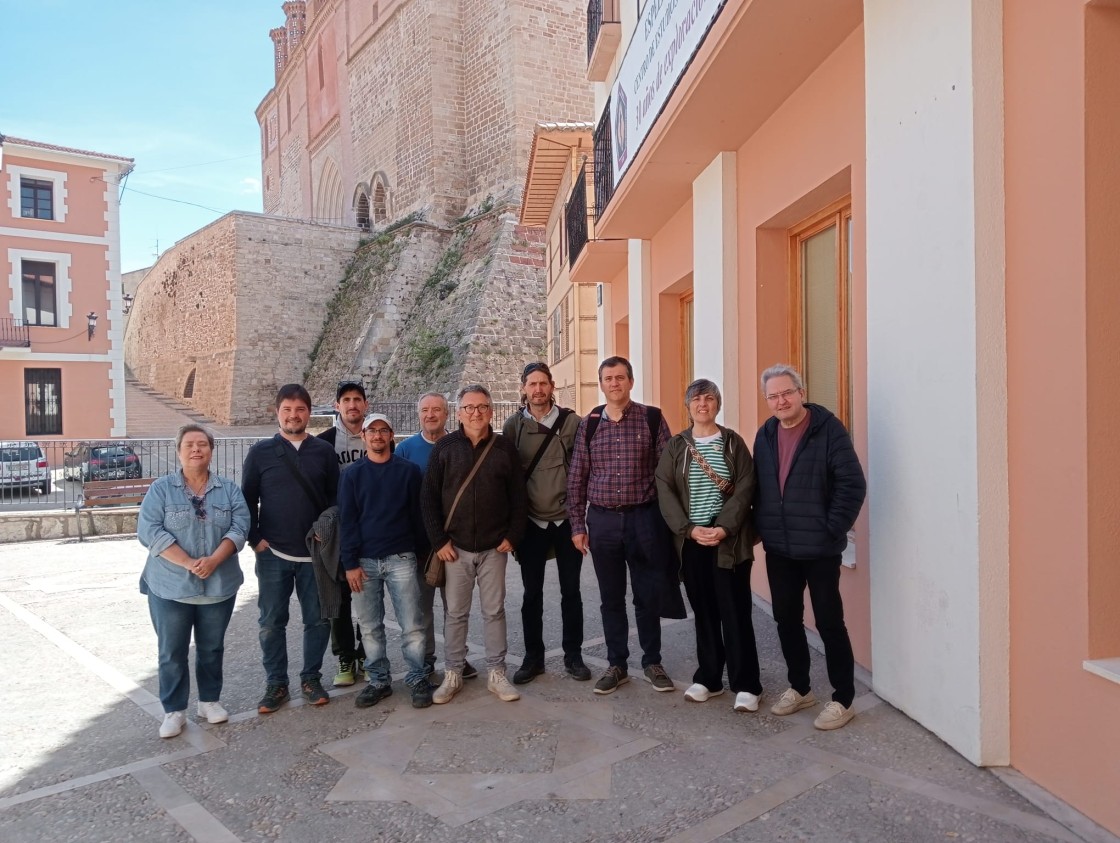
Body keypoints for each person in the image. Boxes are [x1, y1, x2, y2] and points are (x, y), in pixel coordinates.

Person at [753, 364, 866, 731]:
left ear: (801, 392)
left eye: (787, 392)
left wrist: (829, 529)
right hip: (780, 548)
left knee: (830, 622)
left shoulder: (827, 429)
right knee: (786, 619)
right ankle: (800, 688)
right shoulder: (766, 433)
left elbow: (852, 485)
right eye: (773, 396)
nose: (781, 400)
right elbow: (759, 487)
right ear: (767, 401)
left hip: (819, 549)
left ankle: (843, 698)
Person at [567, 356, 677, 695]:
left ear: (631, 381)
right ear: (601, 384)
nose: (614, 383)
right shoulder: (590, 424)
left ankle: (652, 661)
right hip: (602, 521)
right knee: (610, 596)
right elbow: (577, 477)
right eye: (608, 378)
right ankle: (617, 664)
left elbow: (668, 473)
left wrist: (669, 523)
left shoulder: (652, 418)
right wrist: (577, 525)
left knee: (647, 594)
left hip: (644, 517)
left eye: (620, 377)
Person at [656, 379, 762, 711]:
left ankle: (747, 684)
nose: (703, 404)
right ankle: (710, 679)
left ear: (718, 404)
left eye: (710, 398)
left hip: (728, 543)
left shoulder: (733, 443)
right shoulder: (676, 446)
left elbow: (746, 486)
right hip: (693, 543)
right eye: (697, 399)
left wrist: (724, 528)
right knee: (704, 613)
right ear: (687, 406)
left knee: (735, 612)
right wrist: (688, 530)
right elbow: (665, 489)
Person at [138, 424, 250, 738]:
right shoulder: (161, 490)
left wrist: (214, 560)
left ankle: (209, 701)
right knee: (171, 651)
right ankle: (174, 710)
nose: (196, 449)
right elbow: (149, 531)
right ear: (179, 452)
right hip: (170, 587)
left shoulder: (228, 490)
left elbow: (240, 528)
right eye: (189, 445)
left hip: (218, 586)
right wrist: (188, 562)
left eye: (202, 444)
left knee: (211, 648)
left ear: (211, 451)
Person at [421, 384, 527, 704]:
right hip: (456, 548)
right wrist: (439, 541)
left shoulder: (504, 448)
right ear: (458, 413)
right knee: (455, 613)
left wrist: (512, 535)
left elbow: (519, 497)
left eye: (481, 407)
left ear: (491, 411)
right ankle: (453, 672)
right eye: (468, 408)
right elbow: (428, 498)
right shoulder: (445, 448)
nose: (475, 413)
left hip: (495, 547)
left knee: (494, 611)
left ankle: (497, 673)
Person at [242, 383, 340, 714]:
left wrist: (327, 535)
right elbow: (246, 500)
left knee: (318, 620)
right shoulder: (260, 453)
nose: (293, 415)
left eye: (300, 410)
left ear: (309, 414)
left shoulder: (324, 452)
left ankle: (311, 678)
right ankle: (276, 684)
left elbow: (334, 501)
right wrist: (256, 540)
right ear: (277, 412)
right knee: (271, 621)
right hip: (273, 554)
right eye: (287, 410)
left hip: (314, 555)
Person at [501, 362, 590, 683]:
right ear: (523, 388)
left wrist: (581, 520)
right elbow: (508, 478)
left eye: (543, 383)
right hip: (530, 524)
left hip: (566, 522)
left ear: (552, 386)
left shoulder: (573, 423)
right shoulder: (513, 427)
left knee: (572, 592)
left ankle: (574, 656)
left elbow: (582, 472)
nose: (538, 389)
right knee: (531, 595)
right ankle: (533, 658)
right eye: (532, 384)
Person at [339, 413, 432, 708]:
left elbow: (418, 516)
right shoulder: (352, 475)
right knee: (369, 627)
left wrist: (421, 552)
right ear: (363, 436)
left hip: (401, 557)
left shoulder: (408, 472)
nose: (377, 436)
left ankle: (418, 677)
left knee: (412, 624)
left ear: (391, 435)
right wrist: (349, 563)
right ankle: (379, 680)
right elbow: (348, 521)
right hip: (364, 563)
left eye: (383, 430)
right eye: (372, 431)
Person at [396, 392, 478, 680]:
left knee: (455, 608)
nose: (430, 415)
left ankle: (458, 658)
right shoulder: (405, 450)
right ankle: (427, 660)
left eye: (437, 410)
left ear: (447, 414)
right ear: (419, 414)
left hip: (456, 542)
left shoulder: (461, 445)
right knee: (423, 609)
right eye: (425, 410)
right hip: (420, 545)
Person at [317, 379, 369, 687]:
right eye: (346, 400)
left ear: (366, 405)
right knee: (338, 597)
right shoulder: (324, 443)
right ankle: (345, 656)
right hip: (337, 530)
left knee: (368, 595)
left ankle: (366, 652)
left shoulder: (377, 437)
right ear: (338, 406)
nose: (352, 405)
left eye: (357, 399)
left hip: (370, 528)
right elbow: (316, 488)